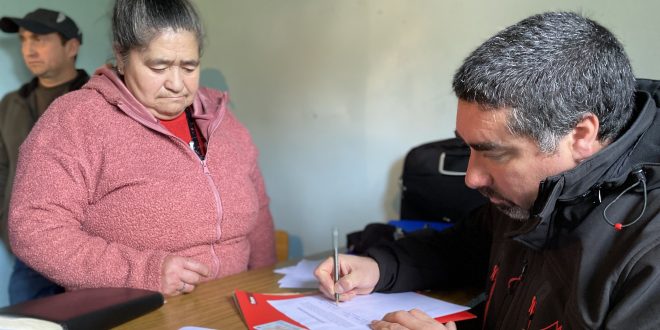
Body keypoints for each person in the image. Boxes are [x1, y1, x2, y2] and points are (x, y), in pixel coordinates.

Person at [315, 12, 660, 329]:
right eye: (467, 147)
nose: (471, 178)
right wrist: (379, 268)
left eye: (491, 152)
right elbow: (463, 247)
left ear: (581, 135)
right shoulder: (529, 194)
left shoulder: (650, 250)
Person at [8, 0, 276, 297]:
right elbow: (34, 228)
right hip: (139, 311)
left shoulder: (222, 119)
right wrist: (141, 272)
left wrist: (266, 290)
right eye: (158, 66)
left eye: (189, 66)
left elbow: (260, 213)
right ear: (122, 56)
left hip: (230, 305)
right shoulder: (76, 119)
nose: (177, 84)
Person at [0, 8, 89, 304]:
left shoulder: (97, 100)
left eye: (39, 39)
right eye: (24, 40)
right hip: (29, 253)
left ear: (71, 47)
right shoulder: (12, 103)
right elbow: (2, 168)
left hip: (89, 248)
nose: (28, 49)